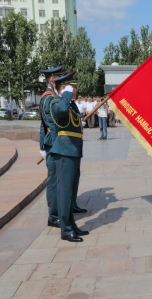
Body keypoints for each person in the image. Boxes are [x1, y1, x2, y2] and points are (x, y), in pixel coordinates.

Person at [49, 71, 89, 242]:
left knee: (71, 192)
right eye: (72, 88)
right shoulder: (56, 101)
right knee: (64, 192)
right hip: (64, 152)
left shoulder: (70, 104)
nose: (75, 91)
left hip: (73, 151)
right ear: (64, 88)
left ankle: (71, 225)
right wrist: (65, 94)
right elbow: (60, 112)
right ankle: (65, 230)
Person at [38, 65, 65, 229]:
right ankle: (53, 215)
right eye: (59, 80)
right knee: (54, 180)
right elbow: (50, 124)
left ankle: (59, 210)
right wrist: (42, 146)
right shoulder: (48, 98)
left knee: (58, 178)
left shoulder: (53, 97)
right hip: (53, 143)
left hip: (56, 142)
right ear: (53, 80)